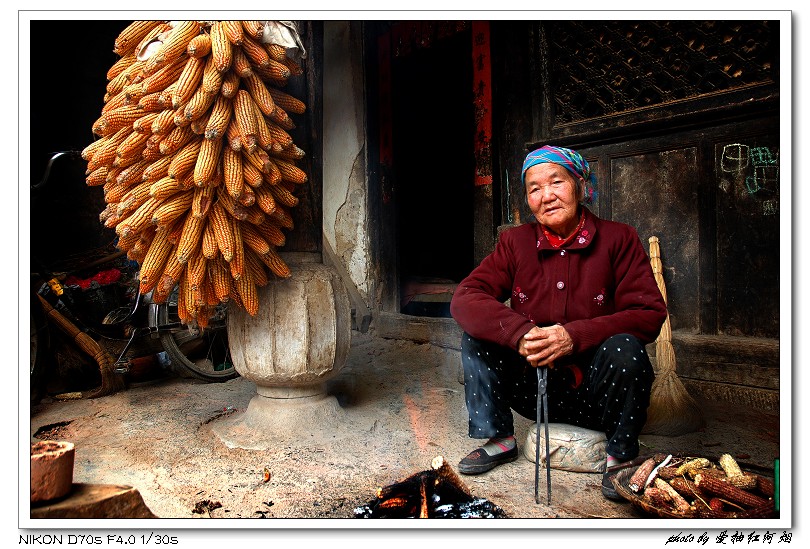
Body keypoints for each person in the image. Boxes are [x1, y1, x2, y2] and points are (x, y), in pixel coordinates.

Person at [449, 145, 667, 501]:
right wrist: (518, 334)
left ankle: (620, 455)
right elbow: (466, 296)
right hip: (532, 388)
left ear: (580, 186)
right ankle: (500, 437)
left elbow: (648, 313)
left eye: (556, 183)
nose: (546, 196)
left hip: (595, 394)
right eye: (534, 188)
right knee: (478, 334)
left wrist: (574, 336)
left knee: (625, 347)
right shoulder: (515, 242)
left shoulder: (619, 239)